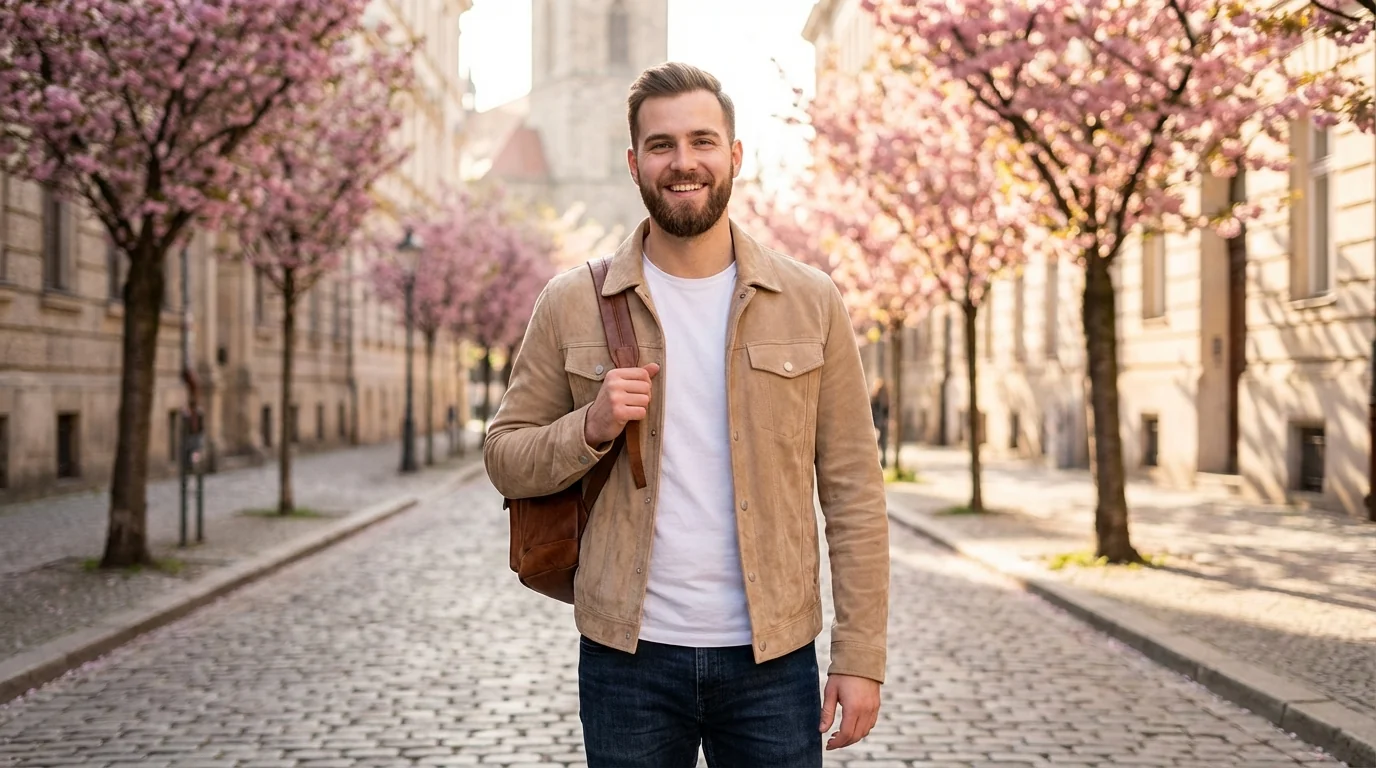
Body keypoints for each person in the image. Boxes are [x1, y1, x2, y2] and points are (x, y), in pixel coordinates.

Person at [484, 62, 889, 768]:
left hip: (773, 658)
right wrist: (589, 428)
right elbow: (503, 456)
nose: (683, 163)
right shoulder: (572, 302)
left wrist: (860, 657)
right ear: (635, 163)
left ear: (734, 156)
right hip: (627, 660)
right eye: (662, 145)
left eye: (703, 141)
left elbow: (855, 491)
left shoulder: (810, 300)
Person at [871, 378, 891, 469]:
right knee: (879, 443)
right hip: (877, 424)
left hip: (880, 424)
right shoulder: (875, 398)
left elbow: (887, 411)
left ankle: (882, 461)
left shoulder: (884, 398)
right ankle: (879, 461)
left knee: (882, 443)